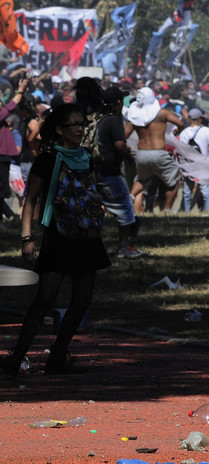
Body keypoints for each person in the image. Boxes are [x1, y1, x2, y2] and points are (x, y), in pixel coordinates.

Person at [1, 103, 110, 377]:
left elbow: (90, 190)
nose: (78, 129)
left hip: (86, 236)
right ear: (59, 129)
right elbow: (29, 201)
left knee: (82, 300)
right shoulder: (47, 160)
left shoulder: (87, 156)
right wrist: (27, 238)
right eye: (72, 125)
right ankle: (17, 357)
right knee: (45, 298)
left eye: (81, 124)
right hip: (58, 236)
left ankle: (58, 355)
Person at [94, 86, 145, 258]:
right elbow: (119, 145)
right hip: (110, 171)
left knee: (99, 208)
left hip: (97, 170)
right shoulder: (114, 120)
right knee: (125, 209)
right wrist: (128, 152)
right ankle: (124, 248)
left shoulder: (99, 118)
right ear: (117, 102)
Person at [126, 87, 185, 212]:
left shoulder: (135, 116)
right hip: (158, 152)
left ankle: (130, 197)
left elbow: (124, 135)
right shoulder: (162, 113)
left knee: (142, 180)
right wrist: (177, 131)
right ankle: (167, 210)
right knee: (173, 179)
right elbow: (180, 124)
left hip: (141, 154)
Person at [178, 108, 209, 213]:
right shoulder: (206, 130)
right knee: (207, 192)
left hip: (188, 166)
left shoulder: (183, 133)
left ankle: (186, 214)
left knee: (187, 192)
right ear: (199, 119)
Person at [0, 76, 28, 221]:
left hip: (4, 157)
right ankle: (10, 215)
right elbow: (12, 104)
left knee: (2, 191)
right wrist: (21, 90)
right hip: (1, 157)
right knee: (1, 191)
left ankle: (9, 215)